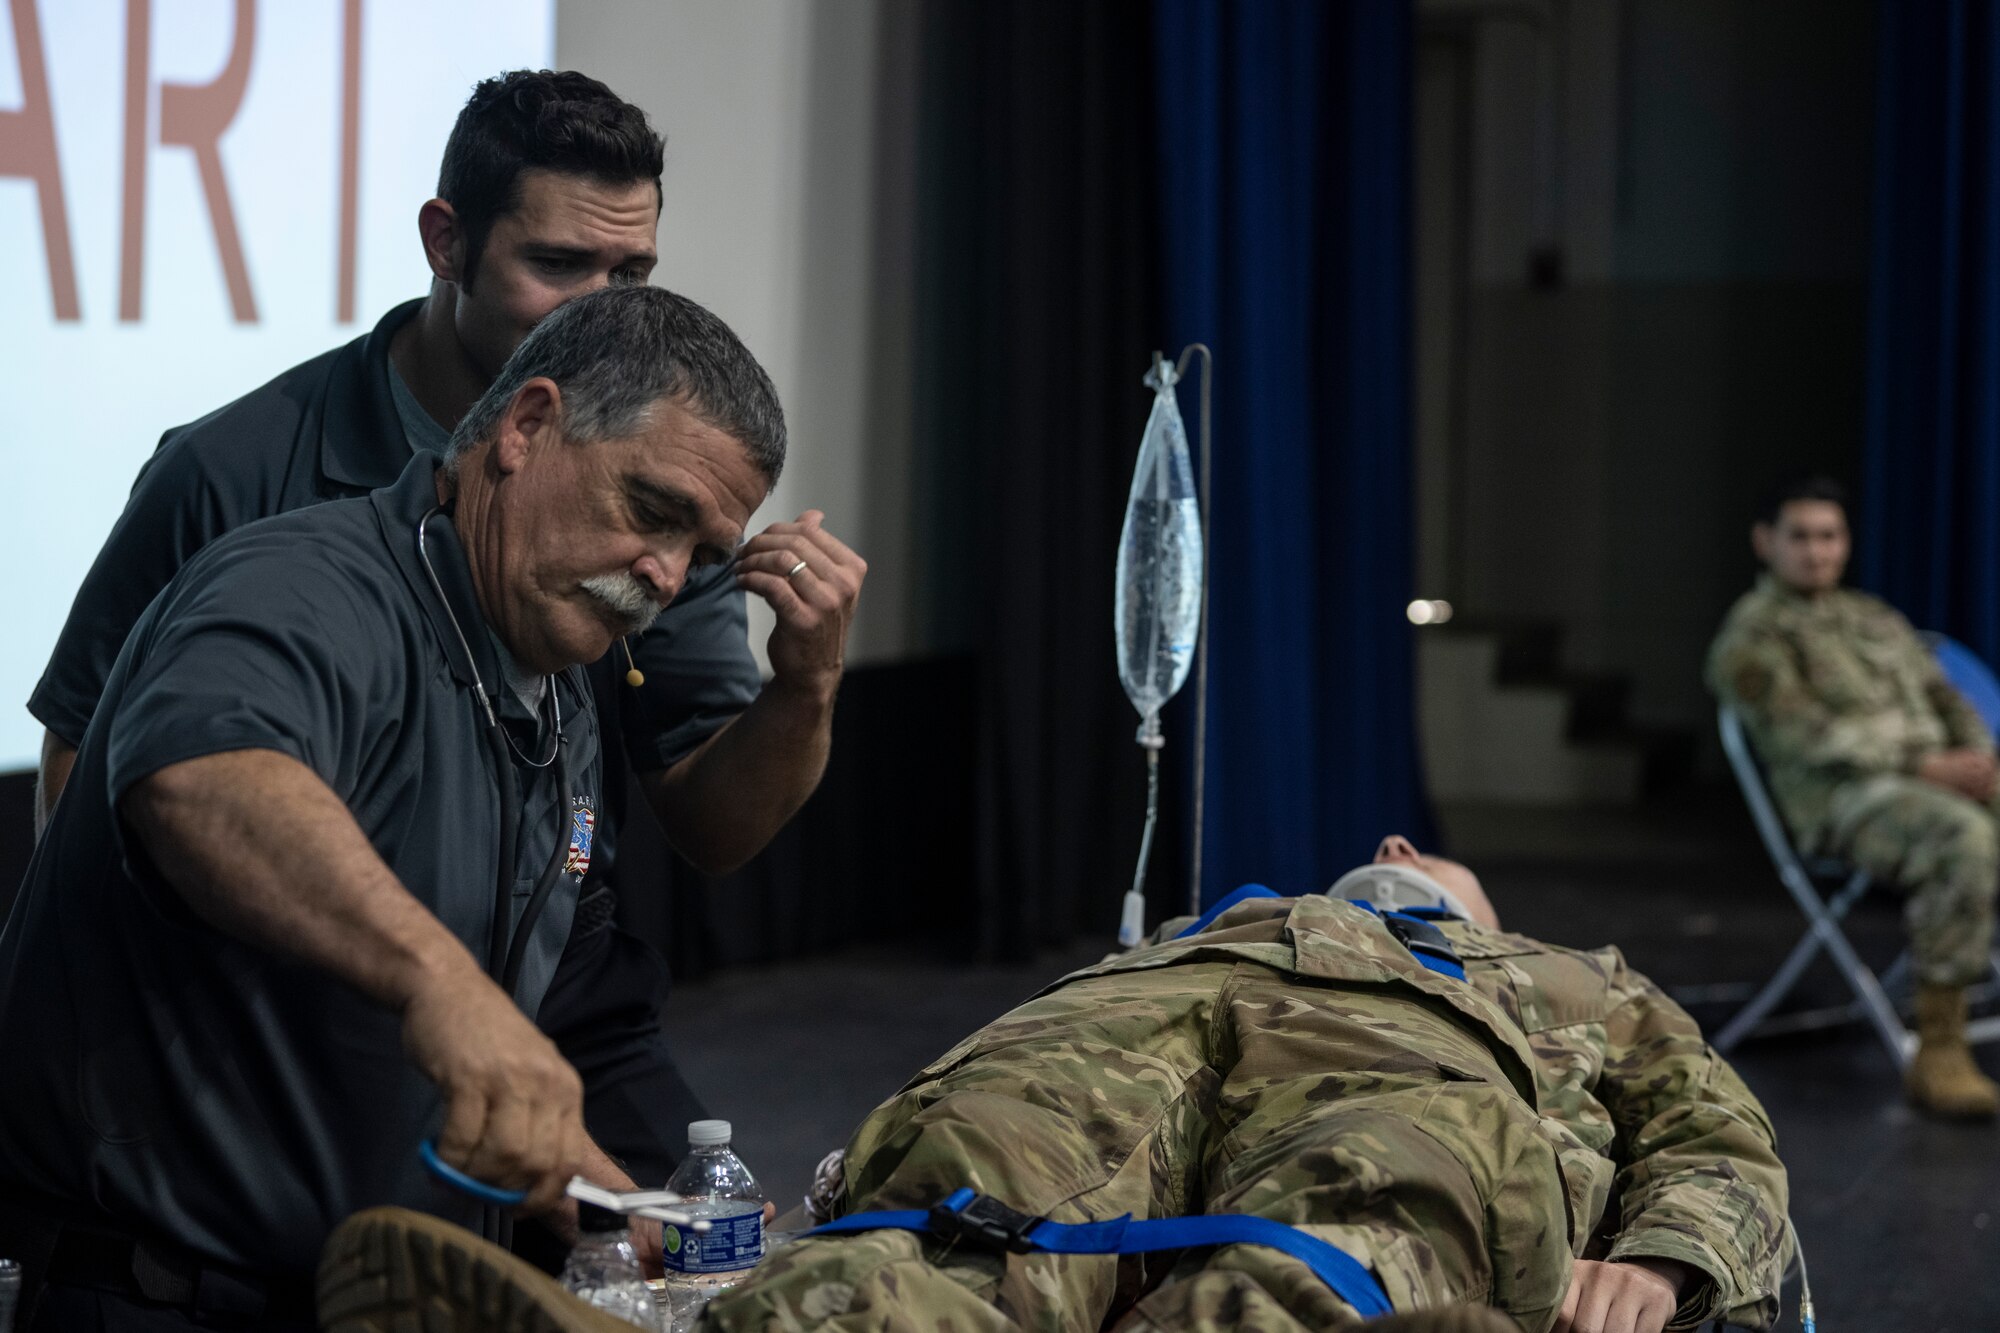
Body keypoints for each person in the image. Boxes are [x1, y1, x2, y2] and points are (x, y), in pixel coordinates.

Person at [26, 70, 864, 1192]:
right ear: (448, 244)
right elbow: (148, 763)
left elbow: (706, 817)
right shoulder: (259, 507)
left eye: (630, 273)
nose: (595, 306)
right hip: (272, 1040)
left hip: (534, 990)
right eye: (558, 264)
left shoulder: (626, 548)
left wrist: (800, 690)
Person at [0, 285, 853, 1331]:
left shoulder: (557, 690)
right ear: (526, 427)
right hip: (160, 1296)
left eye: (702, 554)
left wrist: (624, 1201)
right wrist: (439, 985)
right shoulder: (303, 581)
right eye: (652, 511)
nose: (665, 576)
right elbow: (201, 774)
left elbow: (558, 1017)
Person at [314, 839, 1791, 1333]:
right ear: (1388, 852)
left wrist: (1665, 1260)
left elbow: (1716, 1134)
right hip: (1136, 1023)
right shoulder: (1217, 921)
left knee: (1366, 1195)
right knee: (966, 1193)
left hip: (1415, 1055)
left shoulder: (1569, 980)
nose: (1414, 865)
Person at [1707, 474, 2000, 1119]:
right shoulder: (1751, 640)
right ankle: (1942, 1050)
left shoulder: (1876, 619)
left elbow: (1948, 698)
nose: (1817, 552)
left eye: (1829, 536)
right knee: (1964, 838)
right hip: (1845, 800)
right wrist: (1924, 765)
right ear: (1766, 542)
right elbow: (1805, 738)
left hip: (1935, 778)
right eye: (1801, 537)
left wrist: (1980, 760)